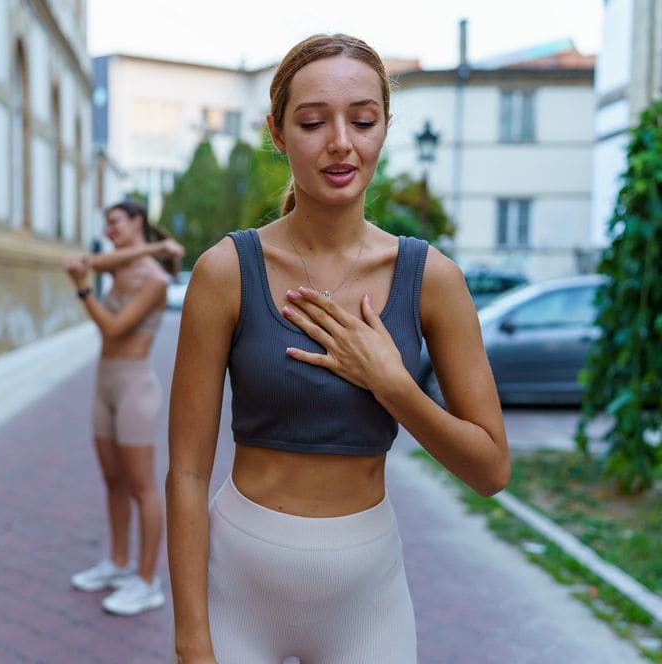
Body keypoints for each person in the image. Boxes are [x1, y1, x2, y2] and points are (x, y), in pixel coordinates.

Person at [166, 34, 510, 663]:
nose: (341, 143)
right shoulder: (225, 272)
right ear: (277, 131)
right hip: (240, 578)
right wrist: (191, 641)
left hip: (367, 590)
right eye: (313, 122)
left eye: (363, 120)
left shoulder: (433, 280)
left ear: (385, 128)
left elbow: (491, 471)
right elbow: (187, 474)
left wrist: (394, 385)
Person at [62, 200, 184, 616]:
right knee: (112, 480)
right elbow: (88, 260)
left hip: (134, 386)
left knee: (142, 487)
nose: (109, 228)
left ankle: (147, 582)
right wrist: (151, 247)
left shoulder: (154, 281)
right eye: (106, 222)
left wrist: (82, 291)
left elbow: (113, 328)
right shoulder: (123, 266)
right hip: (104, 385)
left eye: (116, 221)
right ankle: (117, 563)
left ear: (137, 222)